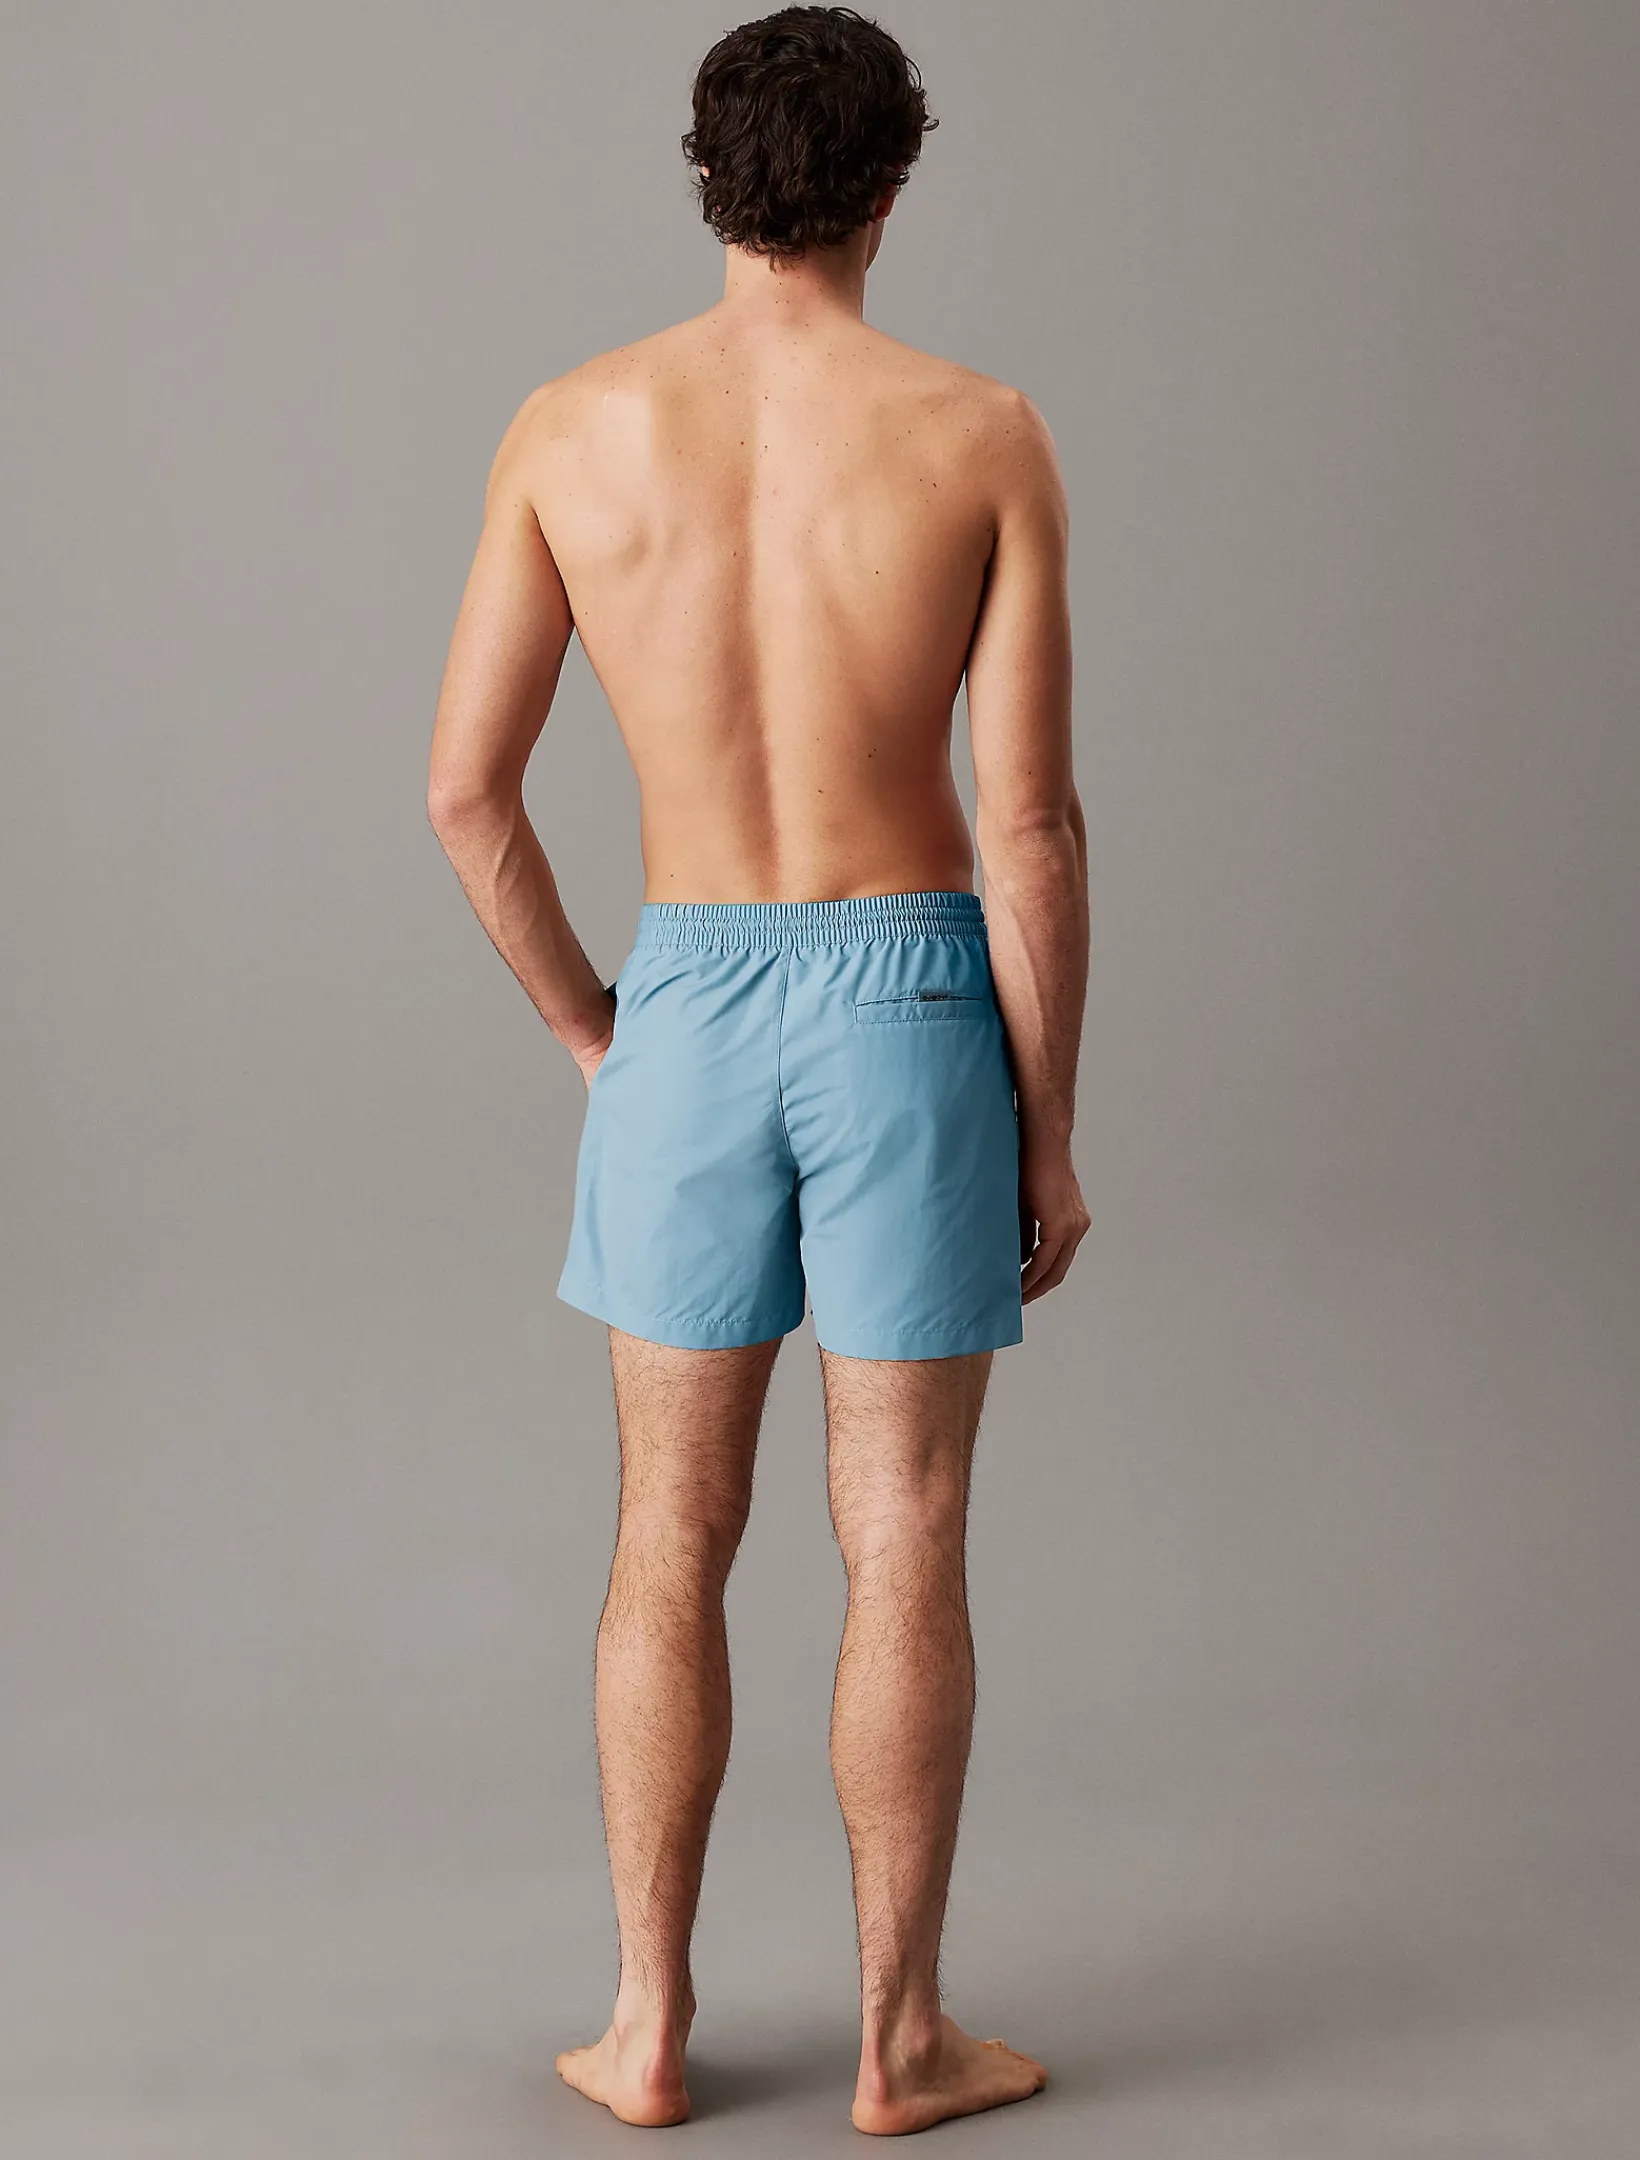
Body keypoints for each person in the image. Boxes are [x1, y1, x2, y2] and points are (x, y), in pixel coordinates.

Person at [427, 5, 1088, 2135]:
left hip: (690, 1005)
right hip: (909, 1005)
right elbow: (1029, 830)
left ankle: (645, 2029)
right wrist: (1049, 1129)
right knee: (905, 1525)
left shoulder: (570, 428)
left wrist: (594, 1028)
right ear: (892, 186)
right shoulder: (981, 431)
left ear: (711, 181)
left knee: (667, 1533)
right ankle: (902, 2040)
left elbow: (465, 795)